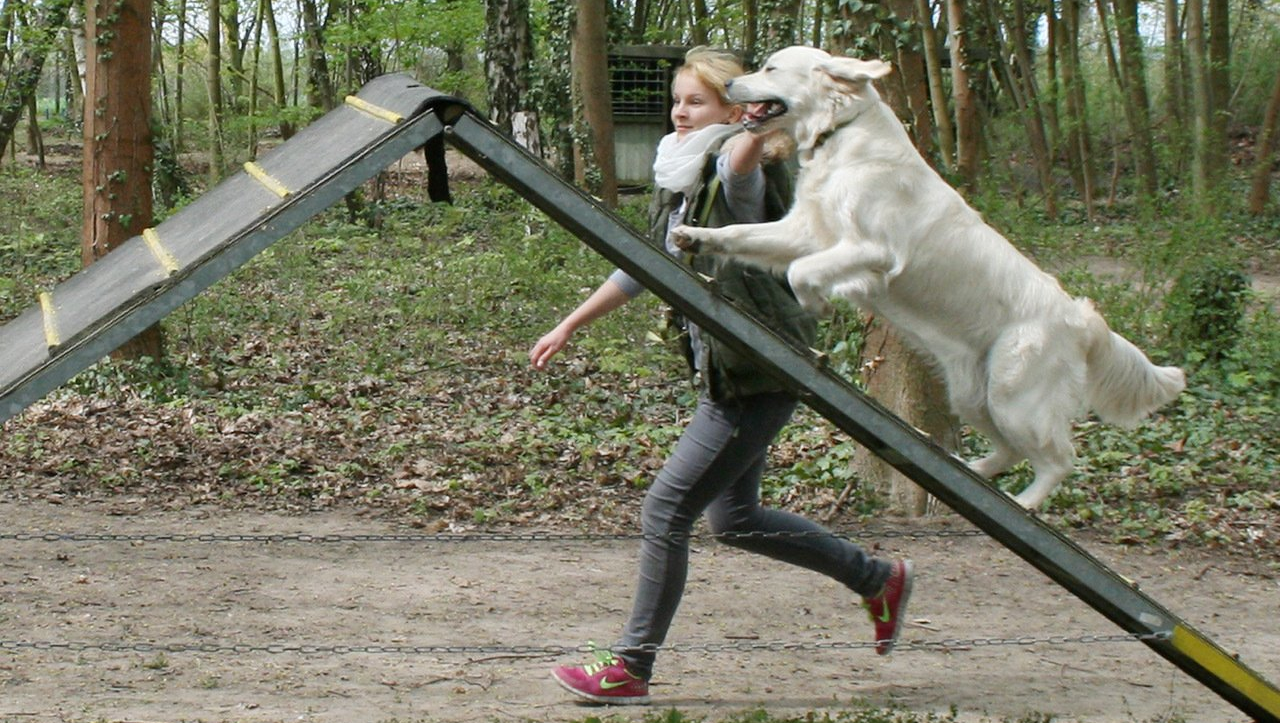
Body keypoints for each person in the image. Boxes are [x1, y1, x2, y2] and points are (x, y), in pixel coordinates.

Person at [530, 46, 913, 706]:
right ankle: (876, 577)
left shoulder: (737, 170)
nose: (681, 112)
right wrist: (570, 323)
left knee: (666, 508)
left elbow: (743, 165)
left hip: (756, 373)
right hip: (730, 370)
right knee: (733, 517)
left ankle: (631, 665)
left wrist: (761, 122)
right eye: (677, 100)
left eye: (697, 102)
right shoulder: (682, 181)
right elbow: (646, 267)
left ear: (733, 111)